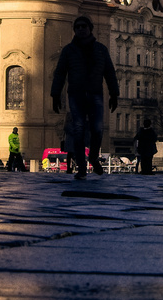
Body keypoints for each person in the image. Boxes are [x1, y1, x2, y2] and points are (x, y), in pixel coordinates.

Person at [50, 14, 120, 180]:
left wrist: (114, 94)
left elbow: (109, 72)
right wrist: (55, 95)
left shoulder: (101, 49)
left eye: (83, 26)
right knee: (78, 130)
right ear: (74, 30)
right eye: (78, 27)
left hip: (95, 93)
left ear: (90, 29)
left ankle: (94, 157)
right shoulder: (68, 50)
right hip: (76, 94)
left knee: (97, 129)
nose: (81, 29)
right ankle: (81, 167)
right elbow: (59, 73)